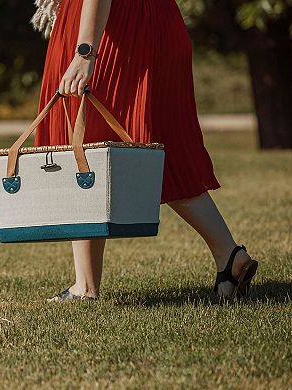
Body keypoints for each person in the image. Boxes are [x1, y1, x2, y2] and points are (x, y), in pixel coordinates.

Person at [31, 0, 258, 302]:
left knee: (85, 148)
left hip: (115, 31)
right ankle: (229, 254)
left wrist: (85, 51)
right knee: (162, 152)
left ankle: (85, 287)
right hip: (154, 22)